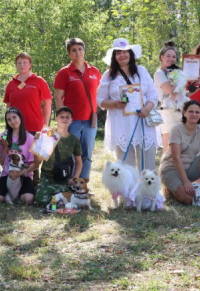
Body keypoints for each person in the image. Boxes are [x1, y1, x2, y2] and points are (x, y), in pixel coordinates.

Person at [97, 38, 159, 170]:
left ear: (130, 53)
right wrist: (114, 104)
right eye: (118, 52)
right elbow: (100, 100)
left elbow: (153, 94)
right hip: (121, 125)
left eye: (125, 52)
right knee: (126, 168)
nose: (122, 55)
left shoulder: (141, 70)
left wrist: (147, 108)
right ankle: (129, 191)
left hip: (143, 122)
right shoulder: (108, 75)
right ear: (114, 56)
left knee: (147, 166)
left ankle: (147, 191)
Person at [54, 38, 101, 179]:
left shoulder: (95, 71)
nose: (77, 52)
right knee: (72, 154)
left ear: (84, 51)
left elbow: (101, 94)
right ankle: (71, 183)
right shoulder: (64, 73)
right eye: (73, 50)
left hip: (90, 120)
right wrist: (62, 121)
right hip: (72, 122)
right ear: (69, 54)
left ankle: (83, 182)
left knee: (87, 154)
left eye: (80, 49)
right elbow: (58, 98)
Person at [154, 41, 200, 154]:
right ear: (161, 57)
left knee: (182, 145)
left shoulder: (176, 74)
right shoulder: (159, 74)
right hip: (167, 112)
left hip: (181, 110)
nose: (171, 59)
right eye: (168, 56)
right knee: (169, 146)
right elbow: (171, 91)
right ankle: (166, 171)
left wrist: (197, 86)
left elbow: (182, 95)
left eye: (174, 57)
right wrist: (182, 77)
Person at [0, 108, 41, 205]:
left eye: (14, 117)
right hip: (7, 175)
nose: (12, 121)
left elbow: (35, 165)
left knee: (28, 200)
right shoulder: (4, 136)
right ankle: (8, 195)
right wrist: (5, 147)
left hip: (24, 175)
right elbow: (1, 162)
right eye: (9, 119)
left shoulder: (29, 137)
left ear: (20, 118)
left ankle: (20, 194)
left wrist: (19, 174)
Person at [35, 106, 83, 206]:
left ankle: (56, 199)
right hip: (47, 177)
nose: (64, 119)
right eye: (62, 117)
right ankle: (55, 198)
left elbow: (79, 161)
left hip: (64, 178)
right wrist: (37, 142)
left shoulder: (74, 139)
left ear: (71, 120)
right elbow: (38, 161)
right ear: (56, 119)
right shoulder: (48, 135)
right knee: (40, 201)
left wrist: (74, 178)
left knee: (73, 200)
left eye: (67, 117)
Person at [3, 52, 52, 133]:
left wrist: (45, 124)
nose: (22, 65)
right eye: (19, 63)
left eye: (25, 62)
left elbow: (48, 103)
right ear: (16, 65)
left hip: (35, 128)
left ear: (30, 65)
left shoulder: (39, 81)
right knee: (12, 145)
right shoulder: (11, 84)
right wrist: (8, 125)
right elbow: (8, 106)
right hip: (16, 128)